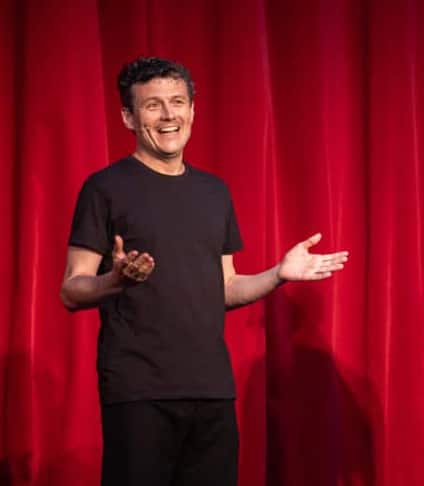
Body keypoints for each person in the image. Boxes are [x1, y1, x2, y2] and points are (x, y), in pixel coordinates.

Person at [60, 57, 349, 486]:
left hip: (211, 389)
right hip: (139, 390)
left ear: (193, 110)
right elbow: (71, 290)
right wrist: (114, 280)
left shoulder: (214, 192)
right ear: (128, 117)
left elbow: (225, 287)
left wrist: (278, 274)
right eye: (153, 105)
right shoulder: (104, 188)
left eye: (178, 102)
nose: (168, 115)